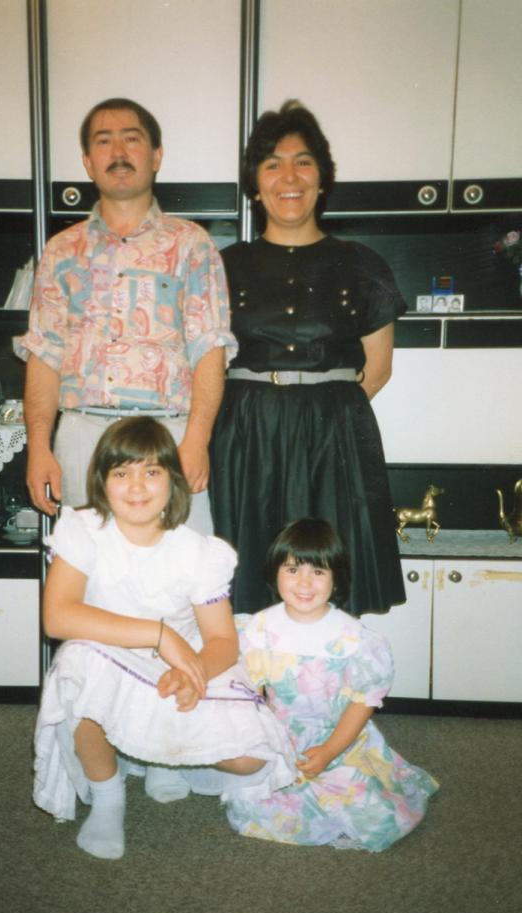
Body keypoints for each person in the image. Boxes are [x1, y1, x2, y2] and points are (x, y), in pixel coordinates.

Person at [33, 417, 296, 860]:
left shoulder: (196, 550)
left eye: (151, 472)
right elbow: (57, 618)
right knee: (77, 663)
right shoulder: (84, 530)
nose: (136, 486)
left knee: (252, 759)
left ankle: (154, 756)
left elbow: (221, 640)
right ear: (101, 482)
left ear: (174, 483)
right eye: (121, 473)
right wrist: (158, 635)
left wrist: (192, 674)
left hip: (181, 664)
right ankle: (109, 795)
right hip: (108, 660)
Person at [209, 100, 406, 615]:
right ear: (255, 183)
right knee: (245, 576)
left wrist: (318, 413)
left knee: (329, 573)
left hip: (332, 435)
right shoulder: (222, 266)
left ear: (323, 178)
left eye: (303, 162)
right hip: (246, 434)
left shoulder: (363, 264)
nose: (288, 176)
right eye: (272, 164)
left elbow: (378, 368)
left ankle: (330, 687)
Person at [15, 97, 236, 535]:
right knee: (88, 578)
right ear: (88, 162)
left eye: (131, 139)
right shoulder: (61, 251)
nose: (118, 152)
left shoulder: (192, 245)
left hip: (168, 436)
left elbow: (210, 349)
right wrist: (39, 448)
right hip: (82, 438)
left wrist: (196, 440)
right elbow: (44, 354)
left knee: (179, 583)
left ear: (156, 156)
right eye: (104, 141)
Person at [226, 518, 439, 852]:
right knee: (251, 808)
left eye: (319, 572)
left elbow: (362, 704)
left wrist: (329, 750)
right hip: (282, 740)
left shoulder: (353, 638)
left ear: (336, 577)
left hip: (342, 739)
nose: (305, 583)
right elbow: (248, 691)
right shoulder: (259, 628)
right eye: (293, 570)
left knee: (374, 815)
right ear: (274, 573)